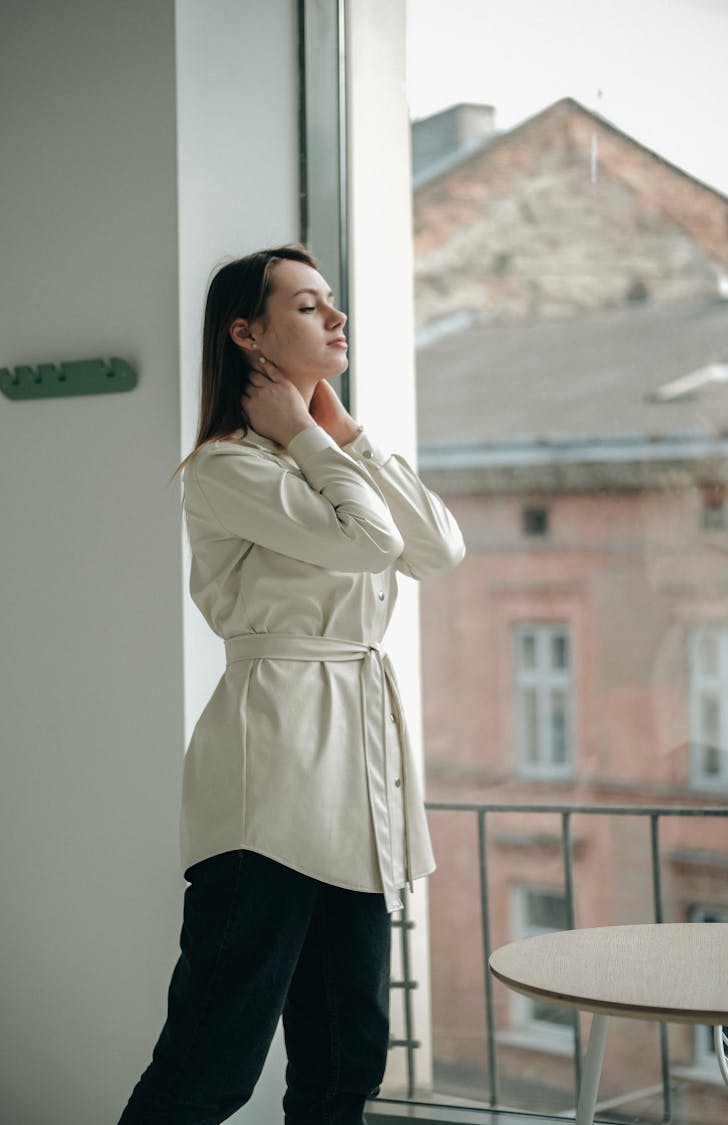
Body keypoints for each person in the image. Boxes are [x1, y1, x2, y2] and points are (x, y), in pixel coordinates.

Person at [117, 244, 465, 1125]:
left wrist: (342, 434)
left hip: (361, 788)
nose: (337, 319)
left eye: (332, 302)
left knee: (345, 1063)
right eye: (310, 307)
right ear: (248, 333)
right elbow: (372, 543)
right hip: (271, 790)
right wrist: (310, 437)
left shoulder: (324, 455)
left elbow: (438, 547)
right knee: (207, 1065)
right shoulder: (229, 468)